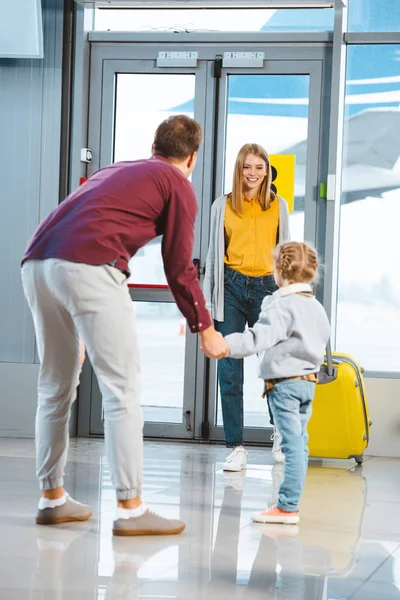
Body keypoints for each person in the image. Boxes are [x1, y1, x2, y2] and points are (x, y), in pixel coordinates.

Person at [21, 114, 229, 536]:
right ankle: (131, 508)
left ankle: (52, 498)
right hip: (89, 265)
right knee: (122, 390)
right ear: (191, 157)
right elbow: (179, 266)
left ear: (155, 146)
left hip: (37, 262)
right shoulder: (177, 185)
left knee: (54, 385)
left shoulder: (116, 170)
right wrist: (204, 326)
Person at [223, 241, 330, 524]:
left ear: (280, 273)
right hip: (308, 383)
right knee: (299, 444)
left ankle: (287, 506)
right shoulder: (316, 307)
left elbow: (257, 339)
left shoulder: (282, 305)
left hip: (284, 386)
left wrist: (225, 345)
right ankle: (289, 503)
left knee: (292, 446)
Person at [203, 143, 290, 472]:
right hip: (232, 288)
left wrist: (288, 294)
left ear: (267, 170)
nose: (253, 173)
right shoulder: (221, 206)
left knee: (274, 364)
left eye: (259, 167)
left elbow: (285, 253)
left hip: (269, 288)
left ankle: (280, 432)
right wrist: (209, 300)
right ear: (239, 170)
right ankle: (236, 446)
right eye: (246, 167)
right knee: (229, 369)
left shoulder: (278, 206)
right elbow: (214, 256)